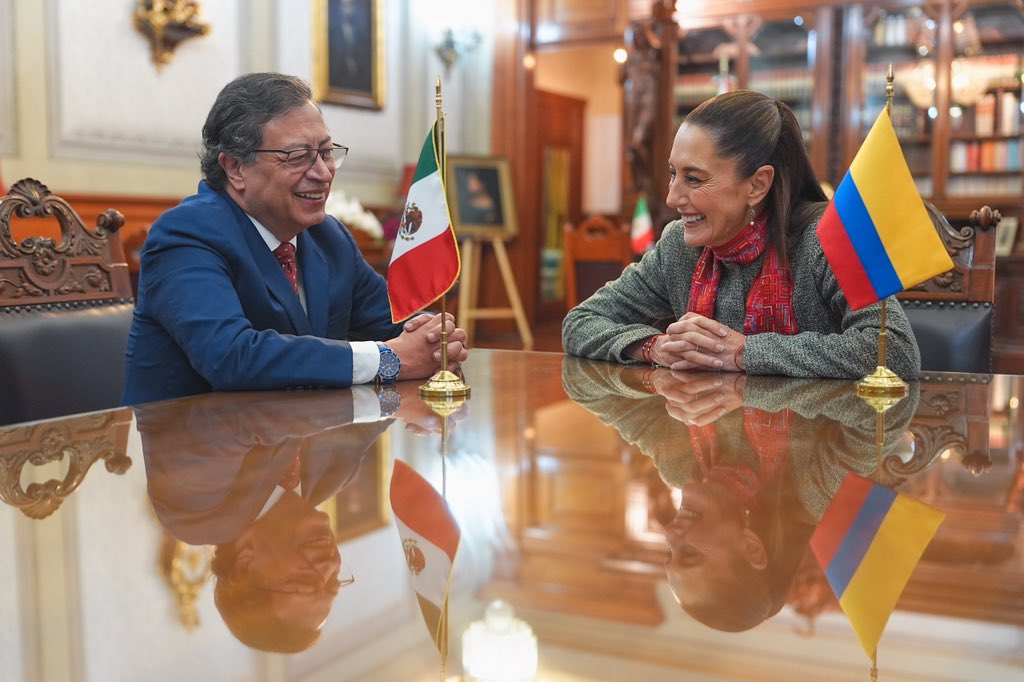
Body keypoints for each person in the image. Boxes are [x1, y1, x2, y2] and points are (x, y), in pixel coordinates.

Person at [123, 73, 468, 404]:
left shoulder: (328, 237)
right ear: (235, 169)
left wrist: (433, 338)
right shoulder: (186, 235)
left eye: (327, 152)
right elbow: (232, 358)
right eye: (298, 157)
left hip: (299, 444)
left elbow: (397, 327)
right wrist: (388, 359)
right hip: (192, 449)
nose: (322, 173)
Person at [562, 90, 921, 380]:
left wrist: (742, 352)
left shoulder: (829, 237)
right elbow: (580, 322)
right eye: (673, 173)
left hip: (818, 454)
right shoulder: (678, 247)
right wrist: (653, 347)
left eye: (694, 179)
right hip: (702, 452)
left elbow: (895, 351)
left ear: (758, 184)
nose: (672, 198)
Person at [561, 356, 919, 631]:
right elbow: (884, 403)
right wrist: (742, 359)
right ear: (751, 547)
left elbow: (585, 386)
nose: (669, 533)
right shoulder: (820, 490)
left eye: (669, 552)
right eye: (688, 553)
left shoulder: (684, 469)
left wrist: (655, 348)